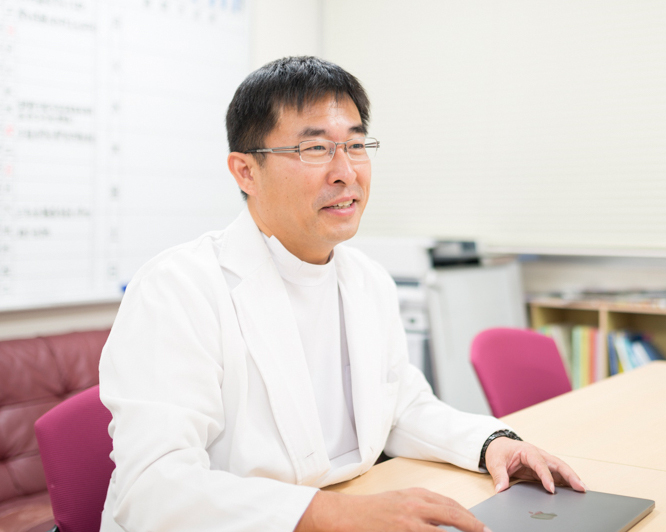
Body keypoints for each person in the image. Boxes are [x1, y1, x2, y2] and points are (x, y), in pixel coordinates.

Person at [98, 56, 585, 532]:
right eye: (315, 148)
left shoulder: (367, 280)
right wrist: (338, 516)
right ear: (246, 171)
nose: (346, 171)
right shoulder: (177, 289)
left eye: (355, 145)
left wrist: (493, 444)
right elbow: (154, 490)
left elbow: (401, 408)